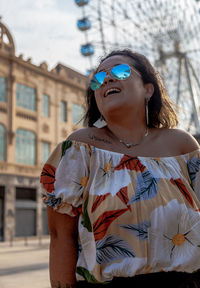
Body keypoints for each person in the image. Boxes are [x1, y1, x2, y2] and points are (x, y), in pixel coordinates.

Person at [40, 49, 200, 288]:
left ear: (148, 88)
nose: (107, 79)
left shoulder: (183, 147)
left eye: (120, 71)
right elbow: (61, 237)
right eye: (97, 78)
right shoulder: (80, 148)